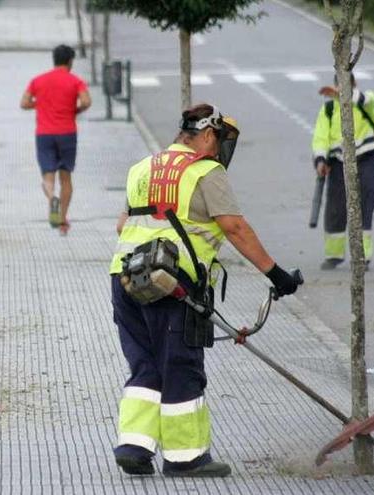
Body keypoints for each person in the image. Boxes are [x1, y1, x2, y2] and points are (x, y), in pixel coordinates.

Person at [109, 104, 301, 477]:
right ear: (208, 135)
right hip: (172, 284)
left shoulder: (142, 168)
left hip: (126, 279)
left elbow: (122, 226)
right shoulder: (206, 171)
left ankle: (134, 447)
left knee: (145, 363)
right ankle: (186, 458)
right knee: (180, 365)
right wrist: (276, 275)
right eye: (220, 142)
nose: (220, 152)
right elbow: (235, 228)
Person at [20, 44, 92, 235]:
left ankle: (52, 197)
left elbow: (24, 103)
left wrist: (39, 104)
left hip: (44, 134)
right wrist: (75, 110)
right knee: (66, 177)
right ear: (70, 61)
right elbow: (86, 101)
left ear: (54, 59)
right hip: (67, 132)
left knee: (47, 176)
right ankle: (62, 218)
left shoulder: (38, 81)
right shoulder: (75, 81)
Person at [311, 74, 374, 270]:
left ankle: (362, 257)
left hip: (365, 159)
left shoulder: (367, 99)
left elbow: (364, 100)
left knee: (365, 205)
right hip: (338, 163)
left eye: (345, 86)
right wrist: (320, 160)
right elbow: (320, 137)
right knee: (336, 208)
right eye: (338, 86)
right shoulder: (329, 109)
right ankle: (334, 255)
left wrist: (342, 94)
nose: (340, 90)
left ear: (354, 84)